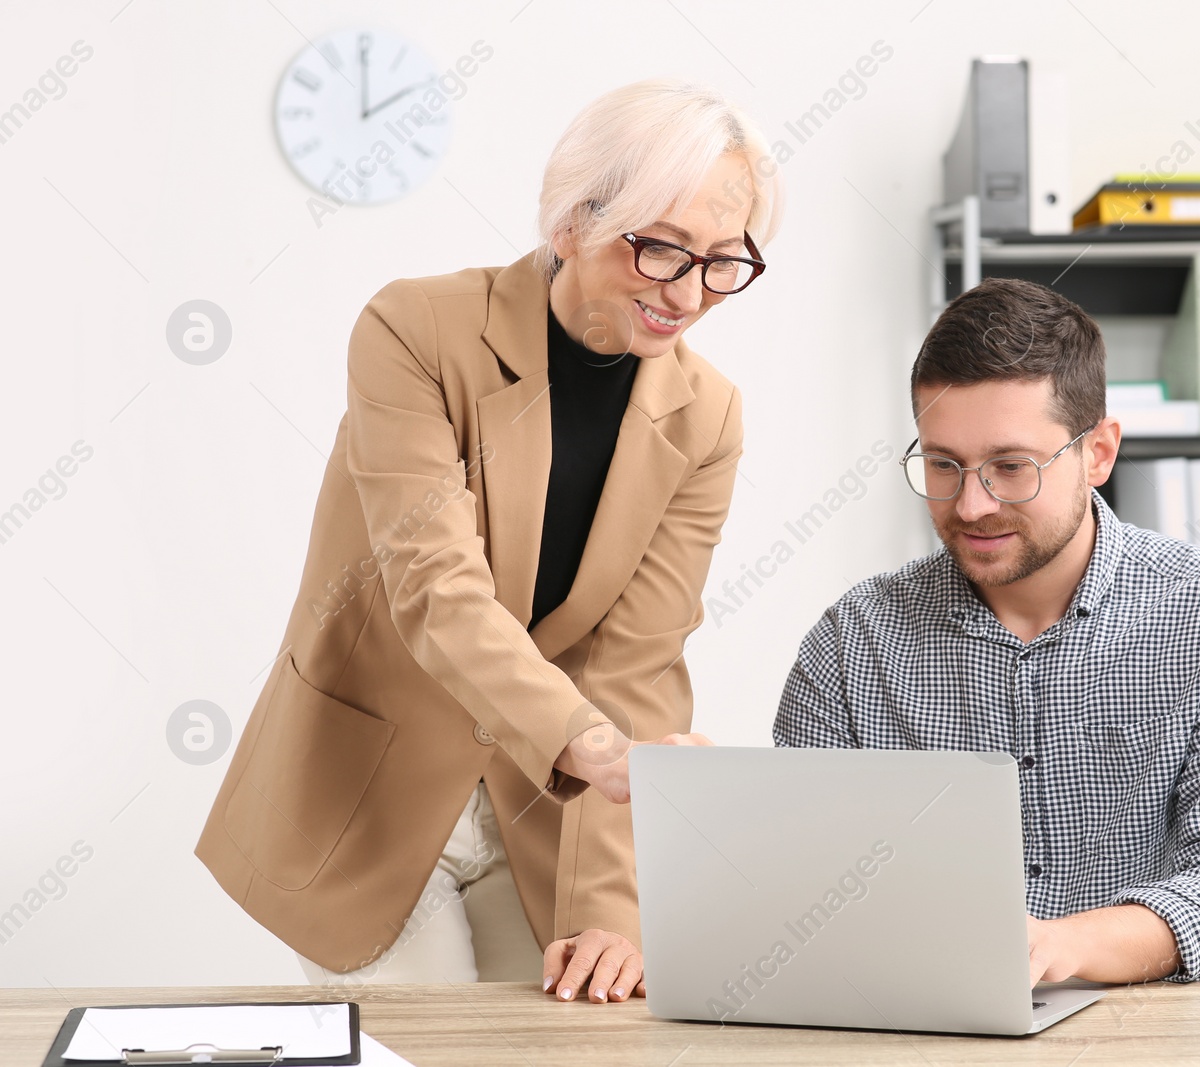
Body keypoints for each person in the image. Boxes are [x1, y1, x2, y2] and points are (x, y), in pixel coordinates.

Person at [195, 79, 782, 1003]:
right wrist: (591, 745)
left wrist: (612, 910)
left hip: (544, 810)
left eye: (722, 261)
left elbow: (634, 663)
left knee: (576, 1038)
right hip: (369, 792)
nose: (690, 293)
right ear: (573, 222)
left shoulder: (706, 418)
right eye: (661, 249)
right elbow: (437, 590)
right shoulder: (416, 331)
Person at [773, 277, 1200, 986]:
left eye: (1010, 467)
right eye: (943, 464)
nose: (971, 503)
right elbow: (798, 886)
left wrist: (1065, 949)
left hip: (1156, 1039)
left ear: (1098, 453)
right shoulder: (854, 643)